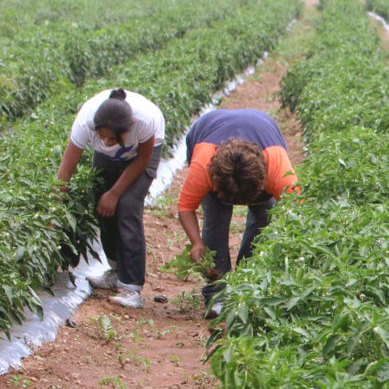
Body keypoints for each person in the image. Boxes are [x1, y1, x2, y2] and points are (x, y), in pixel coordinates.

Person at [176, 109, 299, 317]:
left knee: (264, 218)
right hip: (207, 130)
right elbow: (186, 207)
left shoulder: (277, 167)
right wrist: (196, 242)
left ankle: (248, 284)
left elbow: (299, 210)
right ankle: (217, 294)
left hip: (263, 129)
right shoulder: (203, 165)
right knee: (216, 219)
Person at [57, 88, 165, 308]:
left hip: (144, 153)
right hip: (110, 158)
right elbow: (65, 171)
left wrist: (115, 193)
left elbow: (143, 159)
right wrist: (55, 206)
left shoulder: (144, 121)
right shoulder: (85, 122)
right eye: (101, 136)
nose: (106, 141)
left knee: (127, 206)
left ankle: (131, 288)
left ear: (129, 127)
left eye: (112, 137)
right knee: (102, 203)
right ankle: (116, 271)